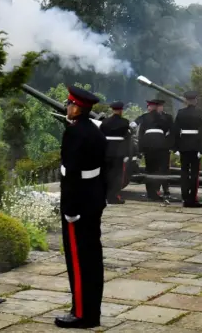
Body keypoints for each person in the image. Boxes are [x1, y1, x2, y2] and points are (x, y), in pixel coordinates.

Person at [55, 86, 107, 329]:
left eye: (69, 104)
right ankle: (91, 311)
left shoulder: (74, 133)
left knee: (78, 260)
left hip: (78, 204)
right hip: (93, 199)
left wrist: (70, 208)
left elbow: (72, 174)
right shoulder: (96, 132)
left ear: (77, 108)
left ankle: (81, 314)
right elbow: (105, 169)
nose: (67, 107)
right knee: (93, 258)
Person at [173, 90, 202, 208]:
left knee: (184, 173)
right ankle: (192, 199)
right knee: (194, 174)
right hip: (195, 146)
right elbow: (201, 133)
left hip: (183, 146)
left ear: (186, 101)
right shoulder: (200, 113)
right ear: (195, 100)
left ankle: (185, 198)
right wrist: (201, 149)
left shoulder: (180, 113)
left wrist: (175, 147)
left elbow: (176, 131)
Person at [100, 101, 131, 204]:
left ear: (112, 109)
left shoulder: (104, 122)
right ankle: (114, 197)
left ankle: (103, 195)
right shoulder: (125, 122)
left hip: (106, 150)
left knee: (105, 173)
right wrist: (127, 153)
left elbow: (100, 137)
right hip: (118, 151)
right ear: (121, 110)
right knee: (117, 175)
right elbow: (127, 139)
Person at [138, 100, 169, 201]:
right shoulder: (163, 117)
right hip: (160, 143)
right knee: (157, 169)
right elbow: (166, 129)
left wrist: (140, 148)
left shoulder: (144, 117)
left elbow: (141, 133)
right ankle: (155, 191)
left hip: (148, 144)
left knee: (149, 168)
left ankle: (150, 192)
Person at [155, 99, 174, 198]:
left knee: (165, 168)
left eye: (161, 106)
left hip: (165, 146)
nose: (159, 108)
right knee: (156, 168)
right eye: (158, 106)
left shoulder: (168, 117)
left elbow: (172, 132)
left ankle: (166, 187)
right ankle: (156, 188)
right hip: (154, 146)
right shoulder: (152, 117)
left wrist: (170, 145)